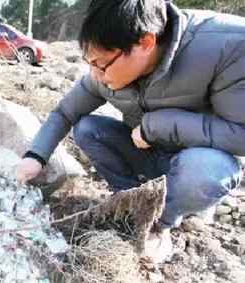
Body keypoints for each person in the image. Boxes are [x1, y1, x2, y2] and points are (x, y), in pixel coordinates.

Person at [16, 0, 244, 263]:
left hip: (194, 163)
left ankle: (160, 223)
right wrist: (35, 156)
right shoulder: (106, 69)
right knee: (88, 129)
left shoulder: (228, 45)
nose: (96, 75)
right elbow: (65, 112)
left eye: (101, 65)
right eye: (90, 63)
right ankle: (130, 203)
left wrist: (160, 126)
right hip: (145, 154)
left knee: (205, 170)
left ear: (146, 42)